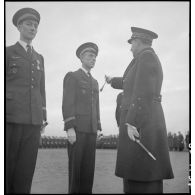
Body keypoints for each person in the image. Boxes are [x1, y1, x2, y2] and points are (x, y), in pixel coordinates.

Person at [105, 27, 174, 193]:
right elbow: (130, 82)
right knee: (137, 172)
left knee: (142, 174)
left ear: (139, 42)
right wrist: (112, 80)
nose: (130, 48)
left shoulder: (147, 57)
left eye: (132, 43)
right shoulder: (143, 59)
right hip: (143, 120)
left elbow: (143, 91)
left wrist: (132, 122)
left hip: (142, 122)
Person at [6, 8, 47, 194]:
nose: (33, 28)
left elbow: (41, 90)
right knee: (6, 171)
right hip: (10, 119)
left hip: (33, 121)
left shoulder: (39, 58)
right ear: (20, 26)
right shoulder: (7, 52)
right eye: (29, 24)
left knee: (25, 172)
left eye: (36, 25)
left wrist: (43, 118)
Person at [62, 42, 102, 193]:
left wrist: (97, 128)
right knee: (76, 173)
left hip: (91, 131)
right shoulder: (73, 76)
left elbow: (96, 107)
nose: (94, 59)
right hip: (77, 131)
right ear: (82, 57)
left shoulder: (95, 82)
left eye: (95, 57)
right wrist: (69, 128)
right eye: (91, 56)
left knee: (88, 172)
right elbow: (67, 103)